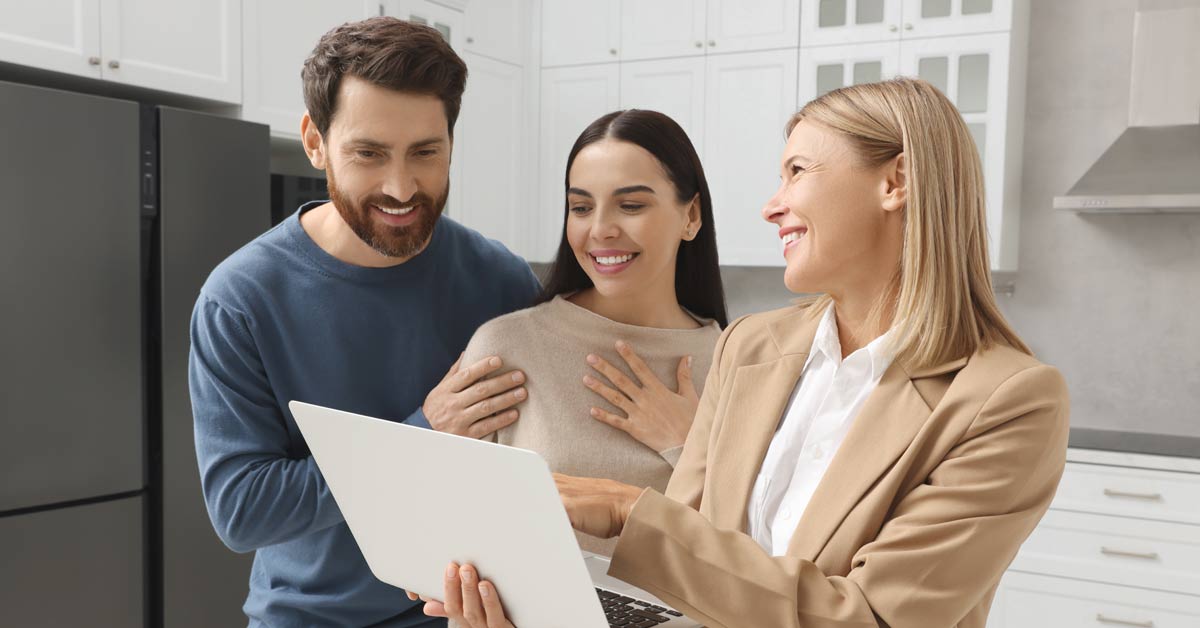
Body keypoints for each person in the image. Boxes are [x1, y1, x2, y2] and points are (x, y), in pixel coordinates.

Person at [434, 77, 1072, 628]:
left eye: (797, 171)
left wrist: (629, 510)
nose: (772, 206)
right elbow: (678, 581)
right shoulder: (751, 346)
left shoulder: (1006, 401)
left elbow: (871, 617)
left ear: (895, 181)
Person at [188, 17, 543, 627]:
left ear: (451, 144)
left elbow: (541, 461)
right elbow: (243, 511)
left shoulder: (501, 281)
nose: (401, 187)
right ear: (314, 141)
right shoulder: (241, 299)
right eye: (369, 154)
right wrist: (424, 433)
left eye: (425, 153)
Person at [441, 110, 728, 557]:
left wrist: (690, 446)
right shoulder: (508, 348)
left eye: (631, 205)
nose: (600, 230)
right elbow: (457, 537)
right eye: (581, 207)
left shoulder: (738, 363)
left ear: (690, 216)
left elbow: (758, 553)